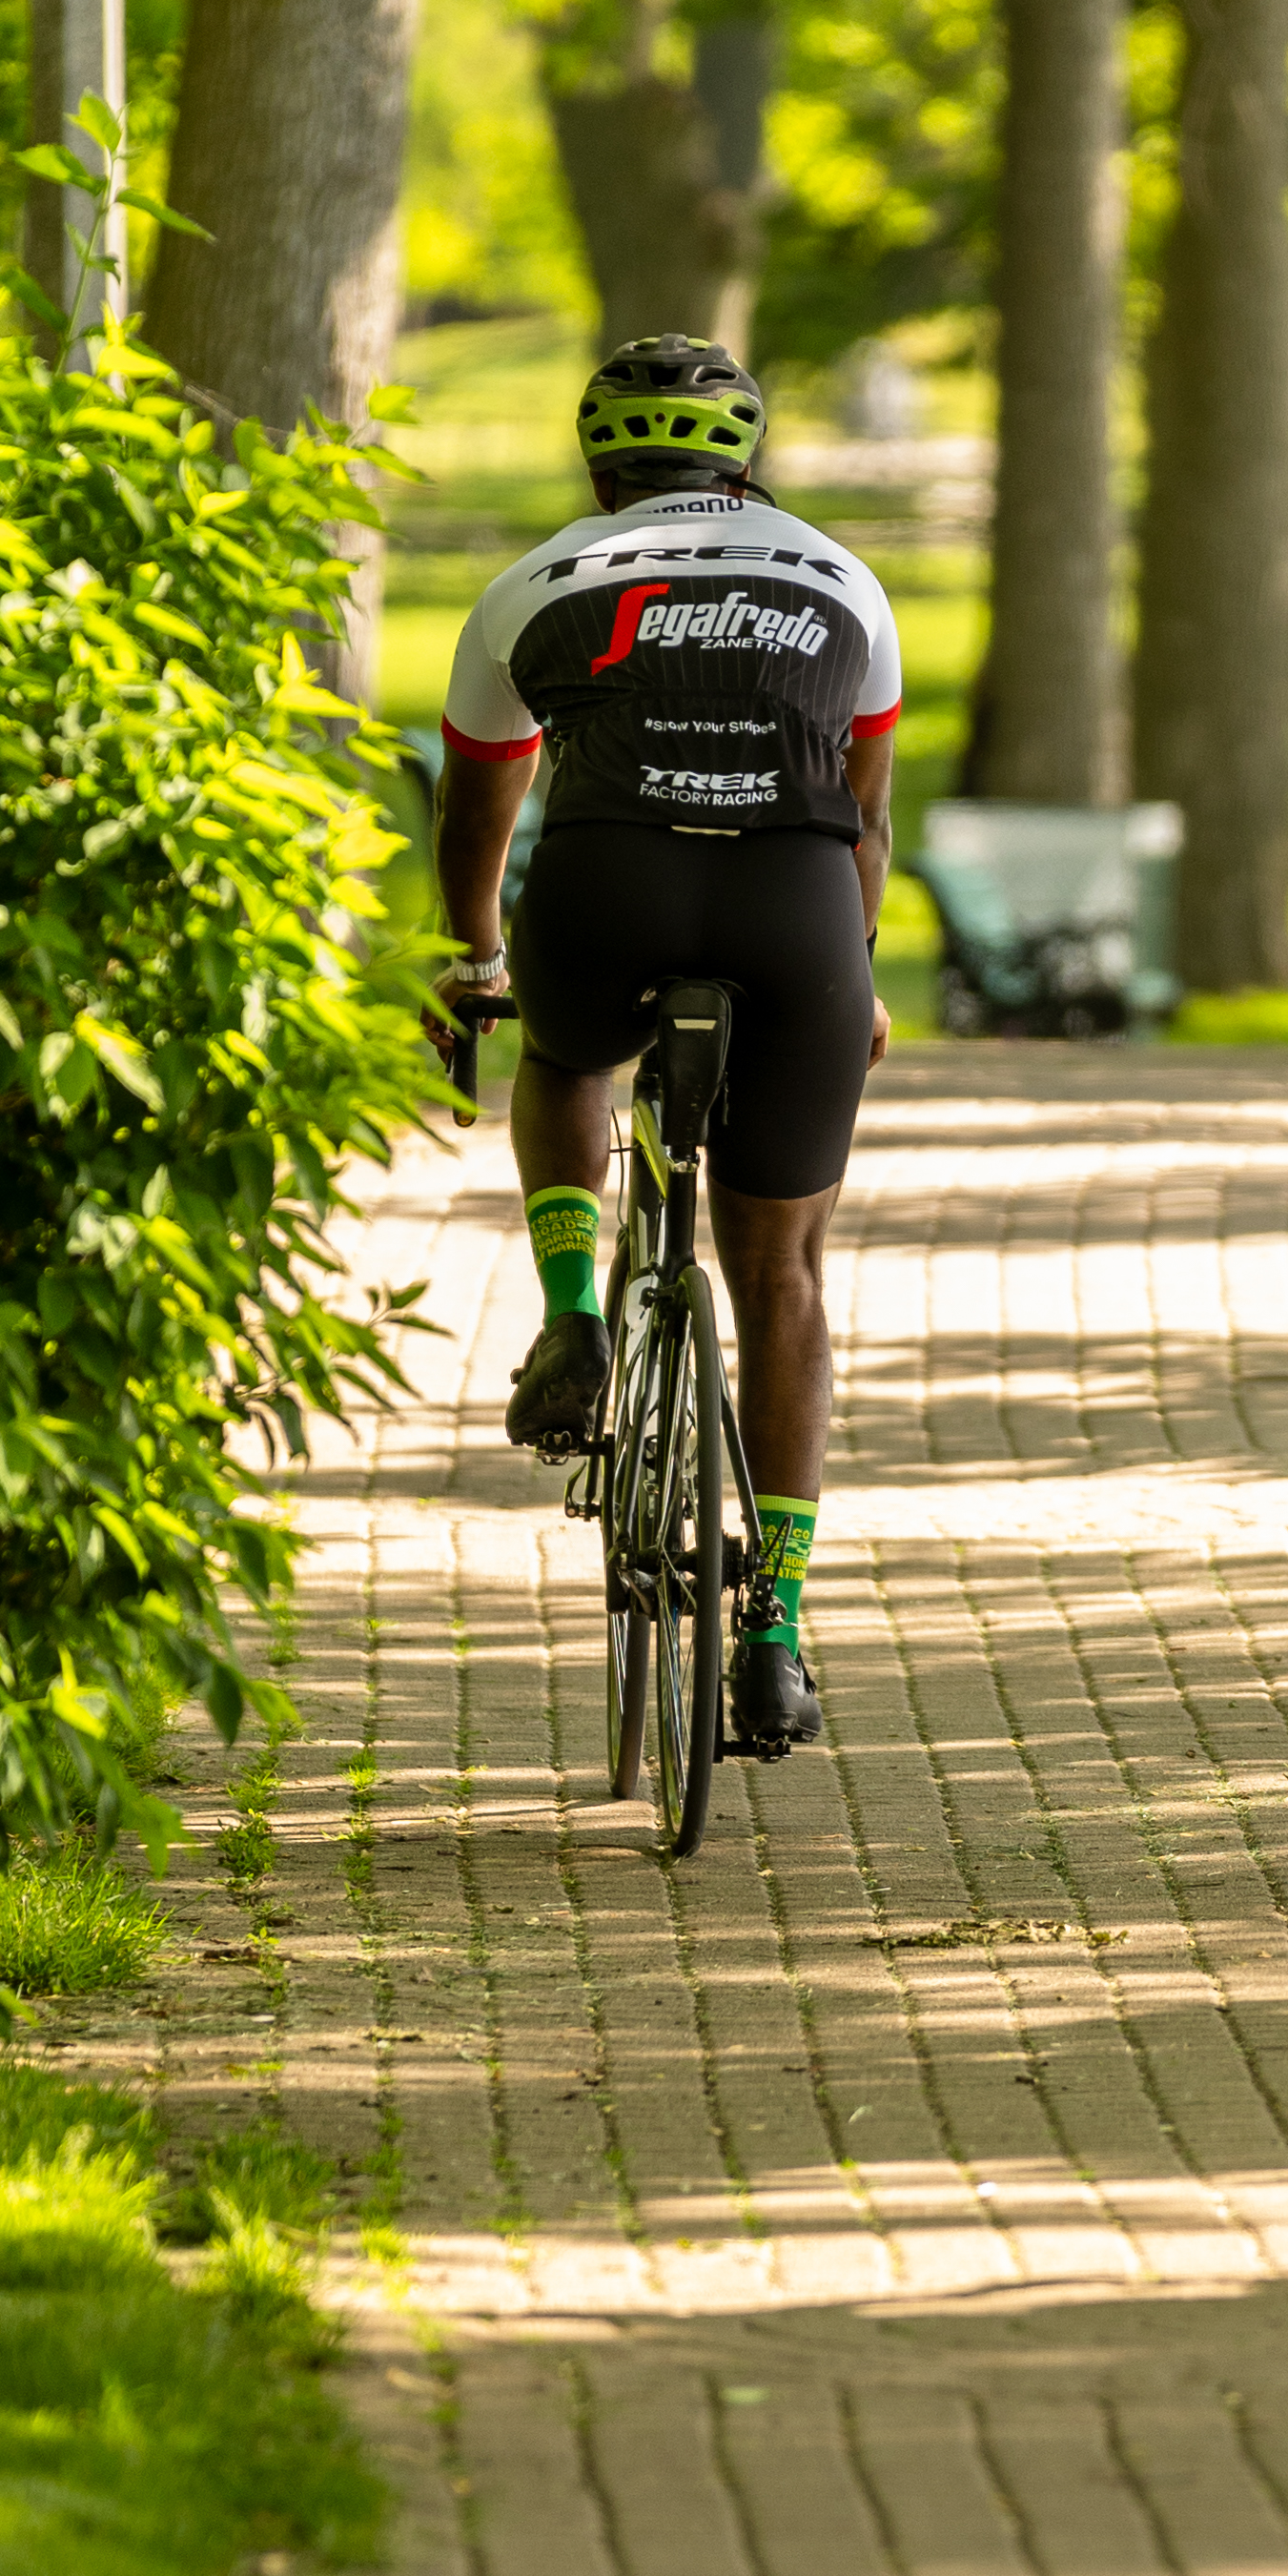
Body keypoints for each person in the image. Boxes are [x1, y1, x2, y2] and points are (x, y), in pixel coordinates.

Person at [427, 333, 901, 1759]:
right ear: (745, 458)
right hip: (796, 905)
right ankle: (778, 1638)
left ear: (599, 460)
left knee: (568, 1062)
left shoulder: (535, 583)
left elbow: (477, 810)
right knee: (786, 1276)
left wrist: (473, 955)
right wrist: (852, 977)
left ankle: (574, 1309)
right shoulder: (844, 583)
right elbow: (864, 810)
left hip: (605, 881)